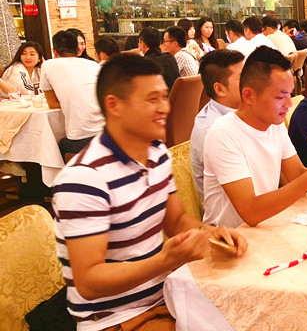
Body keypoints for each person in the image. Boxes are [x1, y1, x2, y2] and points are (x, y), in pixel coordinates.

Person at [52, 54, 246, 331]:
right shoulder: (85, 178)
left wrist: (213, 235)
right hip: (114, 318)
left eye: (164, 97)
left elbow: (176, 221)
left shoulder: (156, 153)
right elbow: (89, 282)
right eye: (152, 99)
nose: (164, 108)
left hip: (165, 294)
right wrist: (165, 260)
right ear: (114, 105)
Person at [201, 46, 307, 228]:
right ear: (249, 95)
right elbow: (251, 211)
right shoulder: (222, 133)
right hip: (231, 236)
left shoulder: (274, 125)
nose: (288, 104)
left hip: (266, 224)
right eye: (280, 97)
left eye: (290, 94)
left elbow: (296, 175)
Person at [41, 30, 105, 157]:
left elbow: (52, 104)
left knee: (53, 147)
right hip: (108, 132)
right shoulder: (94, 65)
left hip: (81, 138)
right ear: (78, 50)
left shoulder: (48, 65)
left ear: (55, 51)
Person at [191, 49, 244, 195]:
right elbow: (245, 199)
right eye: (243, 77)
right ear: (220, 89)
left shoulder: (252, 111)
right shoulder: (211, 129)